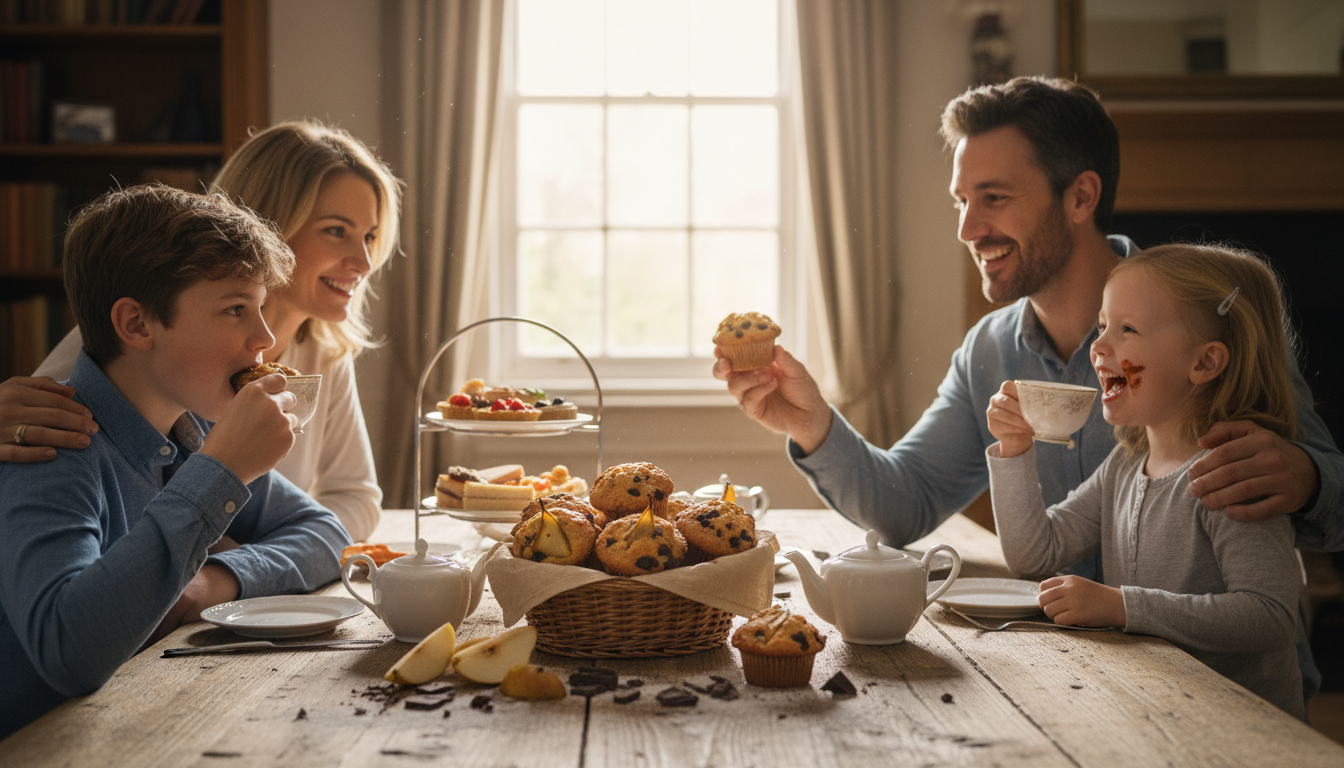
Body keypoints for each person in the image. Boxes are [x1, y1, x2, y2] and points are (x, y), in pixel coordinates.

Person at [713, 76, 1342, 700]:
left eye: (994, 197)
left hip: (1229, 693)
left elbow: (1317, 514)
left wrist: (1307, 478)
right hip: (1083, 674)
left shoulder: (1207, 320)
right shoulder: (989, 349)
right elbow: (905, 506)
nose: (967, 228)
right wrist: (810, 422)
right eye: (961, 201)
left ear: (1080, 196)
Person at [0, 185, 351, 739]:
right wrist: (223, 473)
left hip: (141, 723)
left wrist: (214, 580)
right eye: (236, 309)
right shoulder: (51, 445)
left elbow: (327, 532)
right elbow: (68, 651)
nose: (263, 338)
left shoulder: (192, 429)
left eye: (261, 309)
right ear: (137, 325)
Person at [2, 121, 401, 543]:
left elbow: (353, 499)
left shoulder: (324, 350)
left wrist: (236, 565)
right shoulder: (143, 347)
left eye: (371, 236)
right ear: (267, 224)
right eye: (336, 231)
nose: (364, 260)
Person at [985, 243, 1305, 720]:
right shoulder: (1125, 464)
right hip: (1155, 714)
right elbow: (1035, 552)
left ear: (1204, 363)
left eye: (1127, 329)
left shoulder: (1231, 474)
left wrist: (1122, 606)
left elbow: (1270, 616)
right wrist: (1014, 451)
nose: (1098, 346)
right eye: (1102, 327)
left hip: (1241, 733)